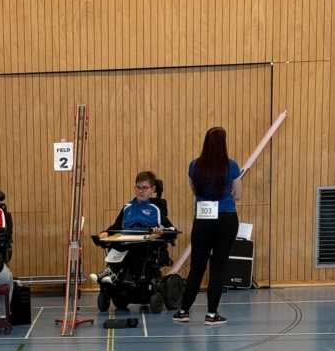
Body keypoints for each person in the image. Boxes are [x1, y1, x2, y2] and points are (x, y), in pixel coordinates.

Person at [173, 127, 242, 326]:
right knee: (218, 266)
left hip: (203, 219)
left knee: (197, 266)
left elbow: (195, 191)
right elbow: (237, 195)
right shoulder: (232, 166)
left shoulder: (195, 165)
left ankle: (184, 310)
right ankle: (211, 314)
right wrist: (227, 190)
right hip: (226, 218)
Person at [92, 171, 175, 283]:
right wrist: (106, 232)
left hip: (144, 243)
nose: (141, 191)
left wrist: (160, 231)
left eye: (145, 188)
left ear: (153, 189)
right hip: (126, 240)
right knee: (115, 244)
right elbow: (116, 226)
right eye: (138, 187)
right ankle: (111, 273)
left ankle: (111, 271)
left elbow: (172, 230)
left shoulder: (155, 210)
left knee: (136, 247)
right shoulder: (127, 207)